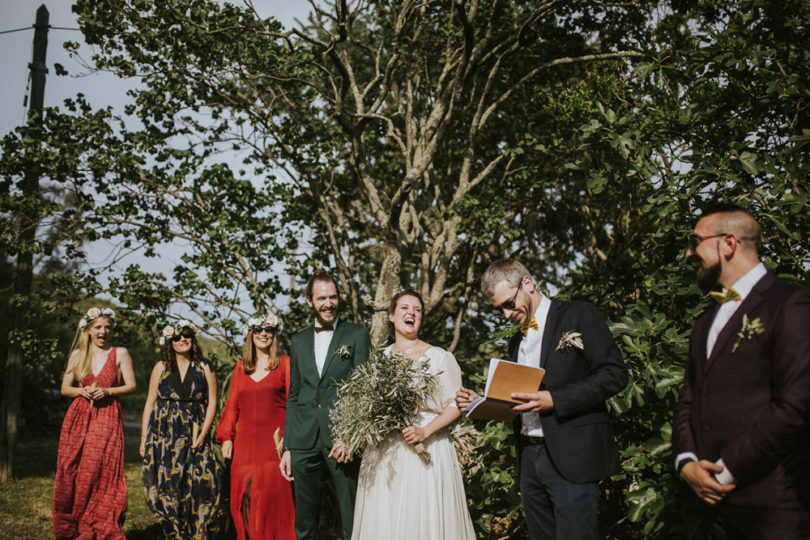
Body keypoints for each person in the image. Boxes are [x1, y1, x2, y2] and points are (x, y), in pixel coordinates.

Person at [456, 259, 627, 540]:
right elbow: (515, 400)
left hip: (571, 455)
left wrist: (555, 399)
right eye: (498, 308)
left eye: (509, 303)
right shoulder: (516, 342)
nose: (506, 314)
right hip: (529, 458)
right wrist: (482, 401)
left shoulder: (578, 314)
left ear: (527, 283)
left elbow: (615, 374)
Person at [672, 204, 810, 538]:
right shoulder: (704, 323)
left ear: (728, 243)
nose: (690, 253)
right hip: (711, 510)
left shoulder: (789, 305)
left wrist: (726, 471)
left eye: (696, 241)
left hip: (773, 505)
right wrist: (686, 462)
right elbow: (689, 400)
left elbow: (795, 407)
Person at [351, 289, 476, 539]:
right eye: (405, 308)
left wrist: (424, 431)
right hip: (387, 452)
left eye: (417, 310)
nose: (412, 313)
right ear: (391, 316)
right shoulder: (380, 360)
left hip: (428, 448)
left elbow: (455, 404)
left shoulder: (440, 357)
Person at [279, 269, 371, 539]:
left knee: (353, 519)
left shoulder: (357, 335)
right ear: (309, 301)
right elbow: (294, 395)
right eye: (321, 298)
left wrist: (352, 435)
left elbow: (363, 388)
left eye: (332, 297)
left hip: (342, 440)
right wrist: (288, 447)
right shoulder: (298, 340)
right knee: (305, 524)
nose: (328, 303)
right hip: (303, 441)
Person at [53, 307, 136, 539]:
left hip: (107, 415)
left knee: (101, 469)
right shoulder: (78, 354)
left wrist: (108, 390)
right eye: (98, 327)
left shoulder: (120, 353)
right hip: (79, 416)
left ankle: (100, 520)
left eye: (108, 327)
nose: (104, 331)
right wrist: (83, 390)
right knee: (73, 468)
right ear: (88, 329)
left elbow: (131, 386)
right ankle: (73, 520)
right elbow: (65, 388)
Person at [216, 314, 295, 540]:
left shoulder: (285, 365)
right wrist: (226, 437)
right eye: (258, 329)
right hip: (244, 447)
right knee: (246, 499)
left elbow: (294, 404)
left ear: (274, 335)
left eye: (268, 330)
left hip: (274, 447)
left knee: (273, 502)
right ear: (251, 334)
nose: (263, 334)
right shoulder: (241, 368)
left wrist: (289, 440)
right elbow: (232, 405)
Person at [141, 320, 220, 539]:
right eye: (176, 337)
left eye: (186, 335)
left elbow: (212, 402)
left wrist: (204, 434)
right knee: (168, 486)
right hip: (164, 436)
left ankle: (197, 533)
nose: (182, 339)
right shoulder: (161, 367)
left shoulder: (205, 367)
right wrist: (143, 440)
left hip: (196, 434)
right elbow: (149, 403)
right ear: (169, 342)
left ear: (193, 339)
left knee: (200, 485)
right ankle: (174, 533)